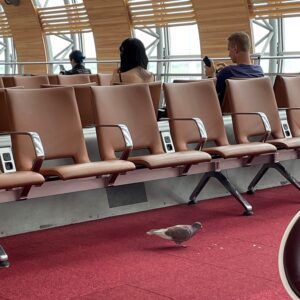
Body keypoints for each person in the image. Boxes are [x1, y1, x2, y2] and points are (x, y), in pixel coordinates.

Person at [205, 31, 264, 105]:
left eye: (229, 49)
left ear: (235, 49)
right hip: (252, 111)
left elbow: (208, 93)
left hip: (227, 115)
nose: (229, 55)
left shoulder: (228, 72)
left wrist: (211, 74)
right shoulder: (259, 71)